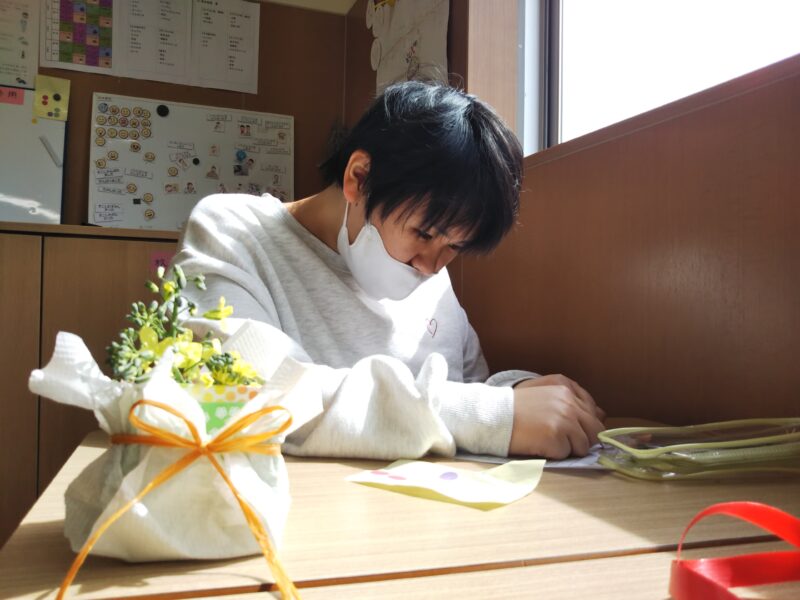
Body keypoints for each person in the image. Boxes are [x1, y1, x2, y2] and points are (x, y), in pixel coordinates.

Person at [172, 80, 605, 460]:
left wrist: (515, 395)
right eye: (424, 233)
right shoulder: (232, 231)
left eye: (455, 246)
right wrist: (492, 416)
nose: (431, 267)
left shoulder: (432, 275)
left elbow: (464, 391)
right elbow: (235, 395)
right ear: (359, 178)